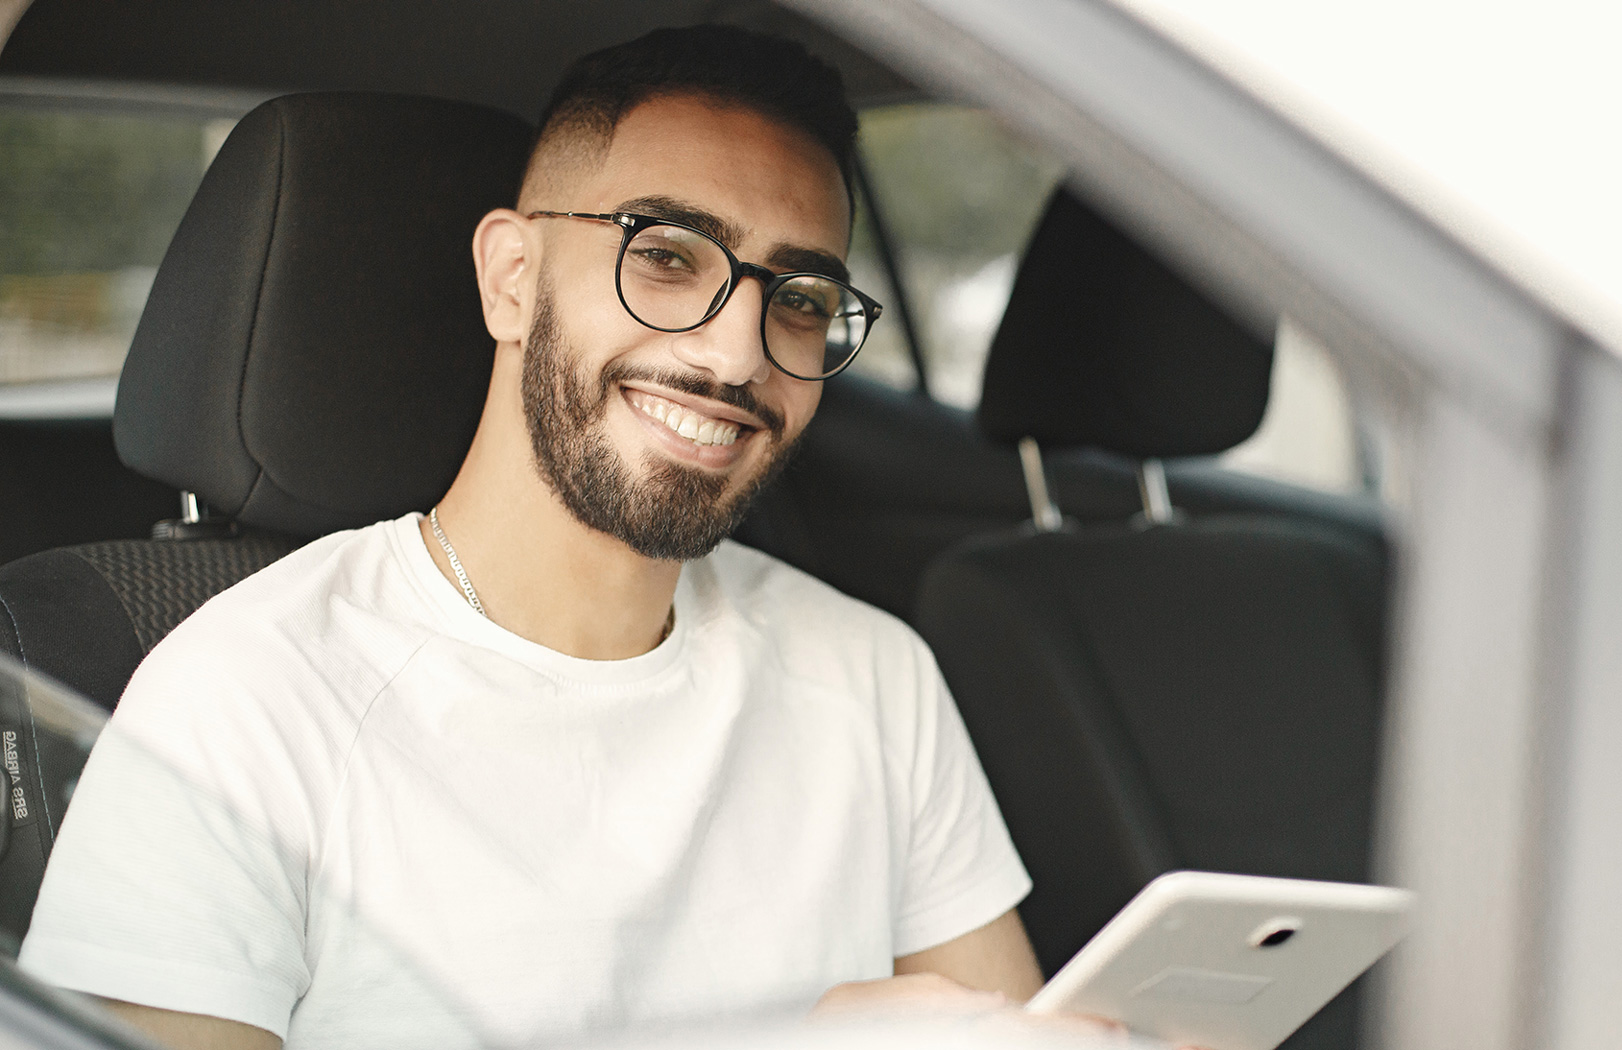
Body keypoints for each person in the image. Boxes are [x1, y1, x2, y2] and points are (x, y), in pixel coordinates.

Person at [17, 26, 1060, 1050]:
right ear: (512, 277)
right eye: (664, 256)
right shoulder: (244, 706)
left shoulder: (875, 675)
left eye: (801, 298)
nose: (737, 353)